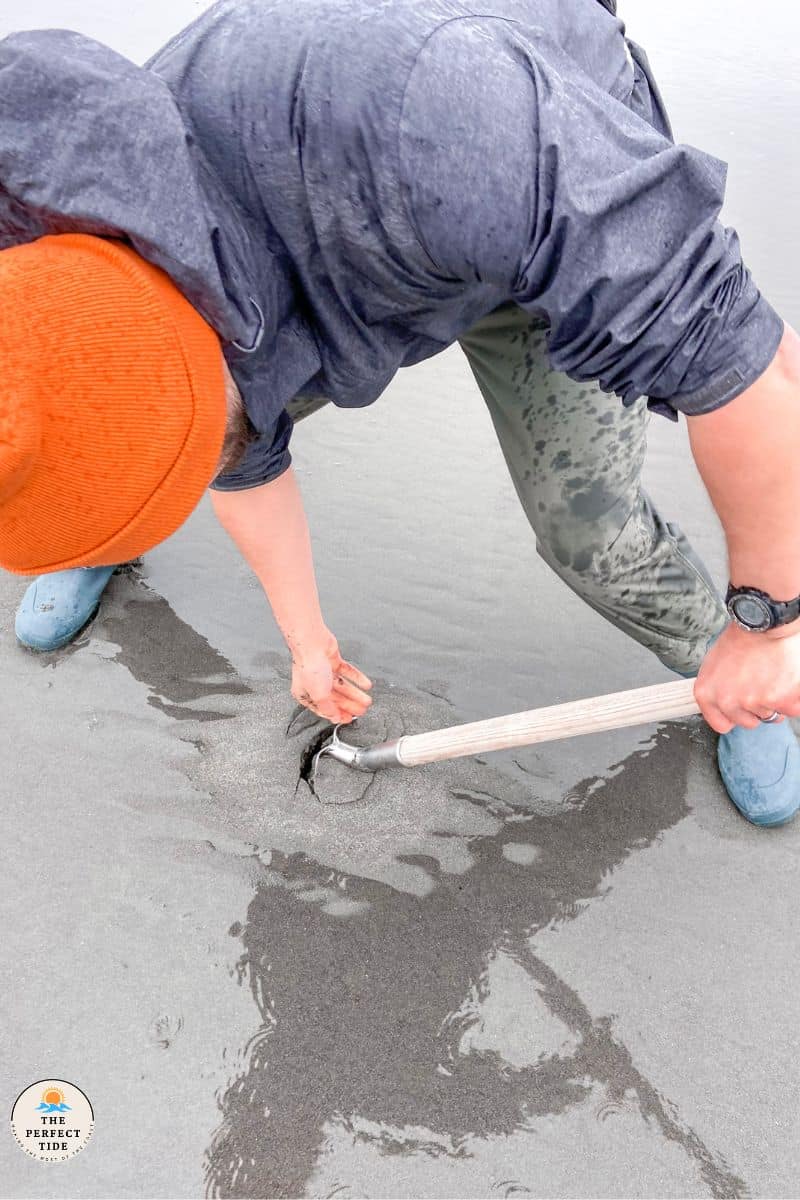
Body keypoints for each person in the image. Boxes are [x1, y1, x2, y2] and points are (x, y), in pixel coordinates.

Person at [2, 0, 799, 827]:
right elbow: (239, 452)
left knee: (587, 527)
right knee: (149, 431)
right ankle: (92, 514)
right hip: (315, 242)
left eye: (147, 482)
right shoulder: (35, 195)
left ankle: (723, 660)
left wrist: (768, 628)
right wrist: (306, 641)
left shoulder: (456, 122)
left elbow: (754, 368)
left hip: (516, 205)